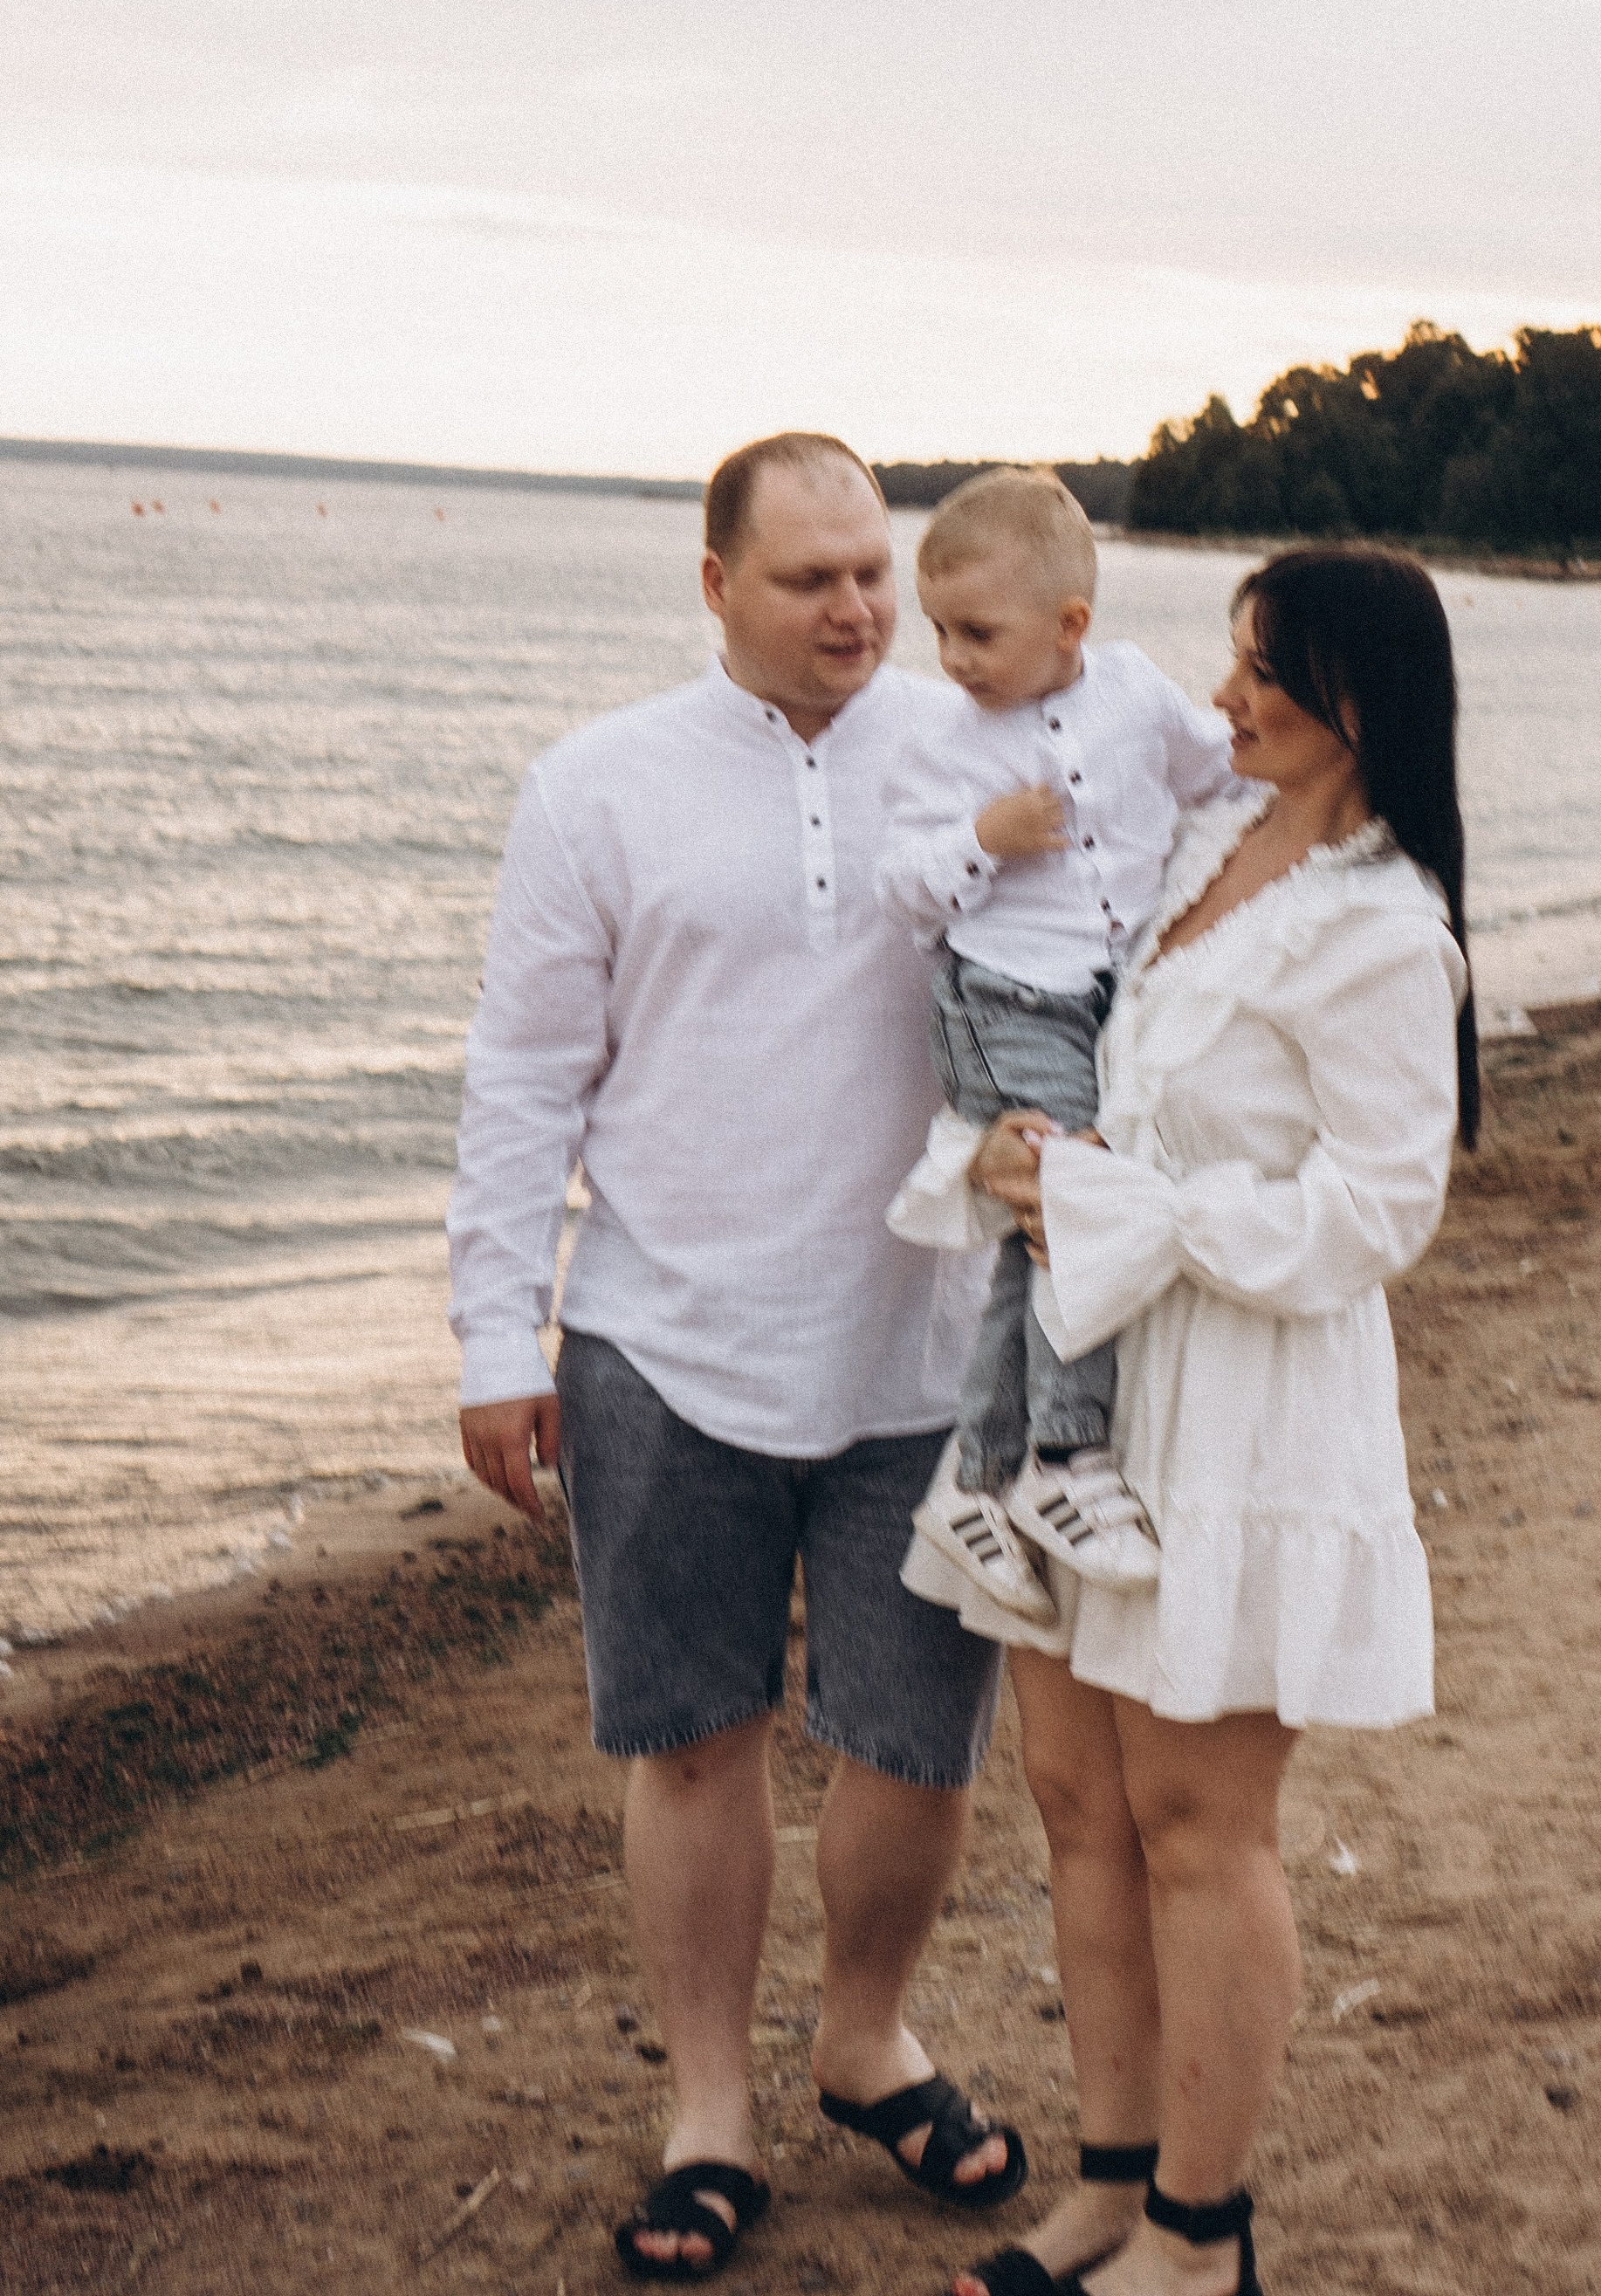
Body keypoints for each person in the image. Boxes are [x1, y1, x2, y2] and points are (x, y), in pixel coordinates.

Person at [447, 435, 1025, 2284]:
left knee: (914, 1749)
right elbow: (524, 1073)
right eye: (809, 579)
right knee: (691, 1744)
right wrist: (492, 1332)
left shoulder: (986, 757)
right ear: (716, 587)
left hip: (926, 1347)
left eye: (873, 570)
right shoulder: (595, 787)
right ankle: (708, 2105)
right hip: (658, 1338)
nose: (856, 607)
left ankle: (865, 2041)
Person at [910, 545, 1479, 2296]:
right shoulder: (1186, 858)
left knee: (1194, 1828)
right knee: (1075, 1801)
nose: (1216, 700)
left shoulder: (1385, 927)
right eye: (1228, 663)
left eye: (1256, 674)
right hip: (1091, 1379)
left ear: (1355, 704)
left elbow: (1380, 1210)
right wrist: (1004, 1160)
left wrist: (1137, 1219)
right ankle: (1108, 2181)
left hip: (1242, 1399)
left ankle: (1200, 2232)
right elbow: (1088, 1078)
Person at [878, 467, 1239, 1622]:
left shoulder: (1134, 691)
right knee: (1069, 1202)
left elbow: (1216, 770)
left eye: (978, 632)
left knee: (1041, 1231)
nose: (954, 657)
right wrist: (983, 840)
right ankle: (1064, 1461)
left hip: (1104, 1000)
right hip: (1004, 999)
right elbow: (904, 891)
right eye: (939, 631)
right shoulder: (947, 745)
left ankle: (979, 1482)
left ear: (1070, 626)